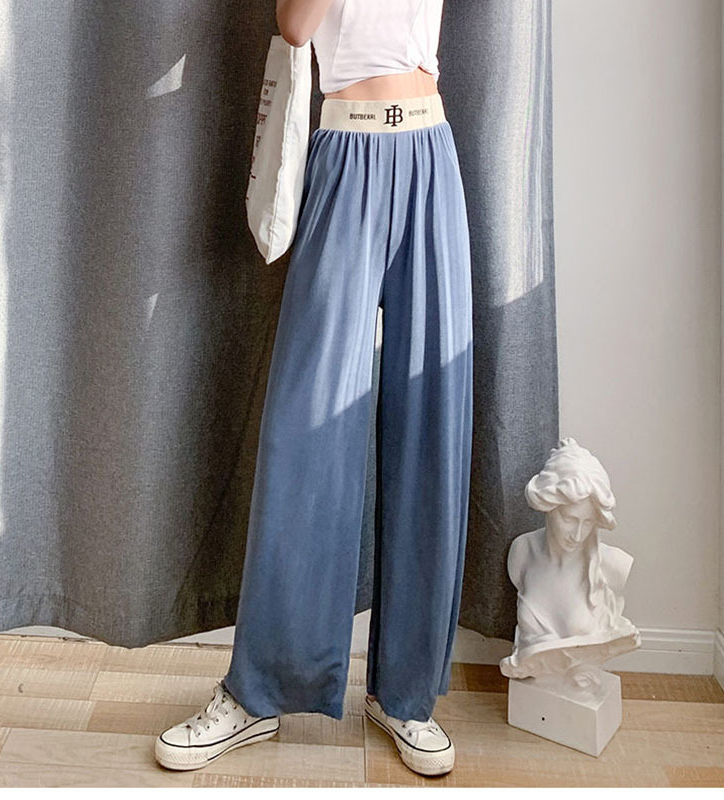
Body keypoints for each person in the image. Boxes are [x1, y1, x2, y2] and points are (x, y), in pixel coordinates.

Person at [155, 0, 473, 778]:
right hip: (346, 152)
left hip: (430, 151)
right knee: (307, 425)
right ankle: (258, 691)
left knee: (433, 417)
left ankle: (406, 695)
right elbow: (297, 26)